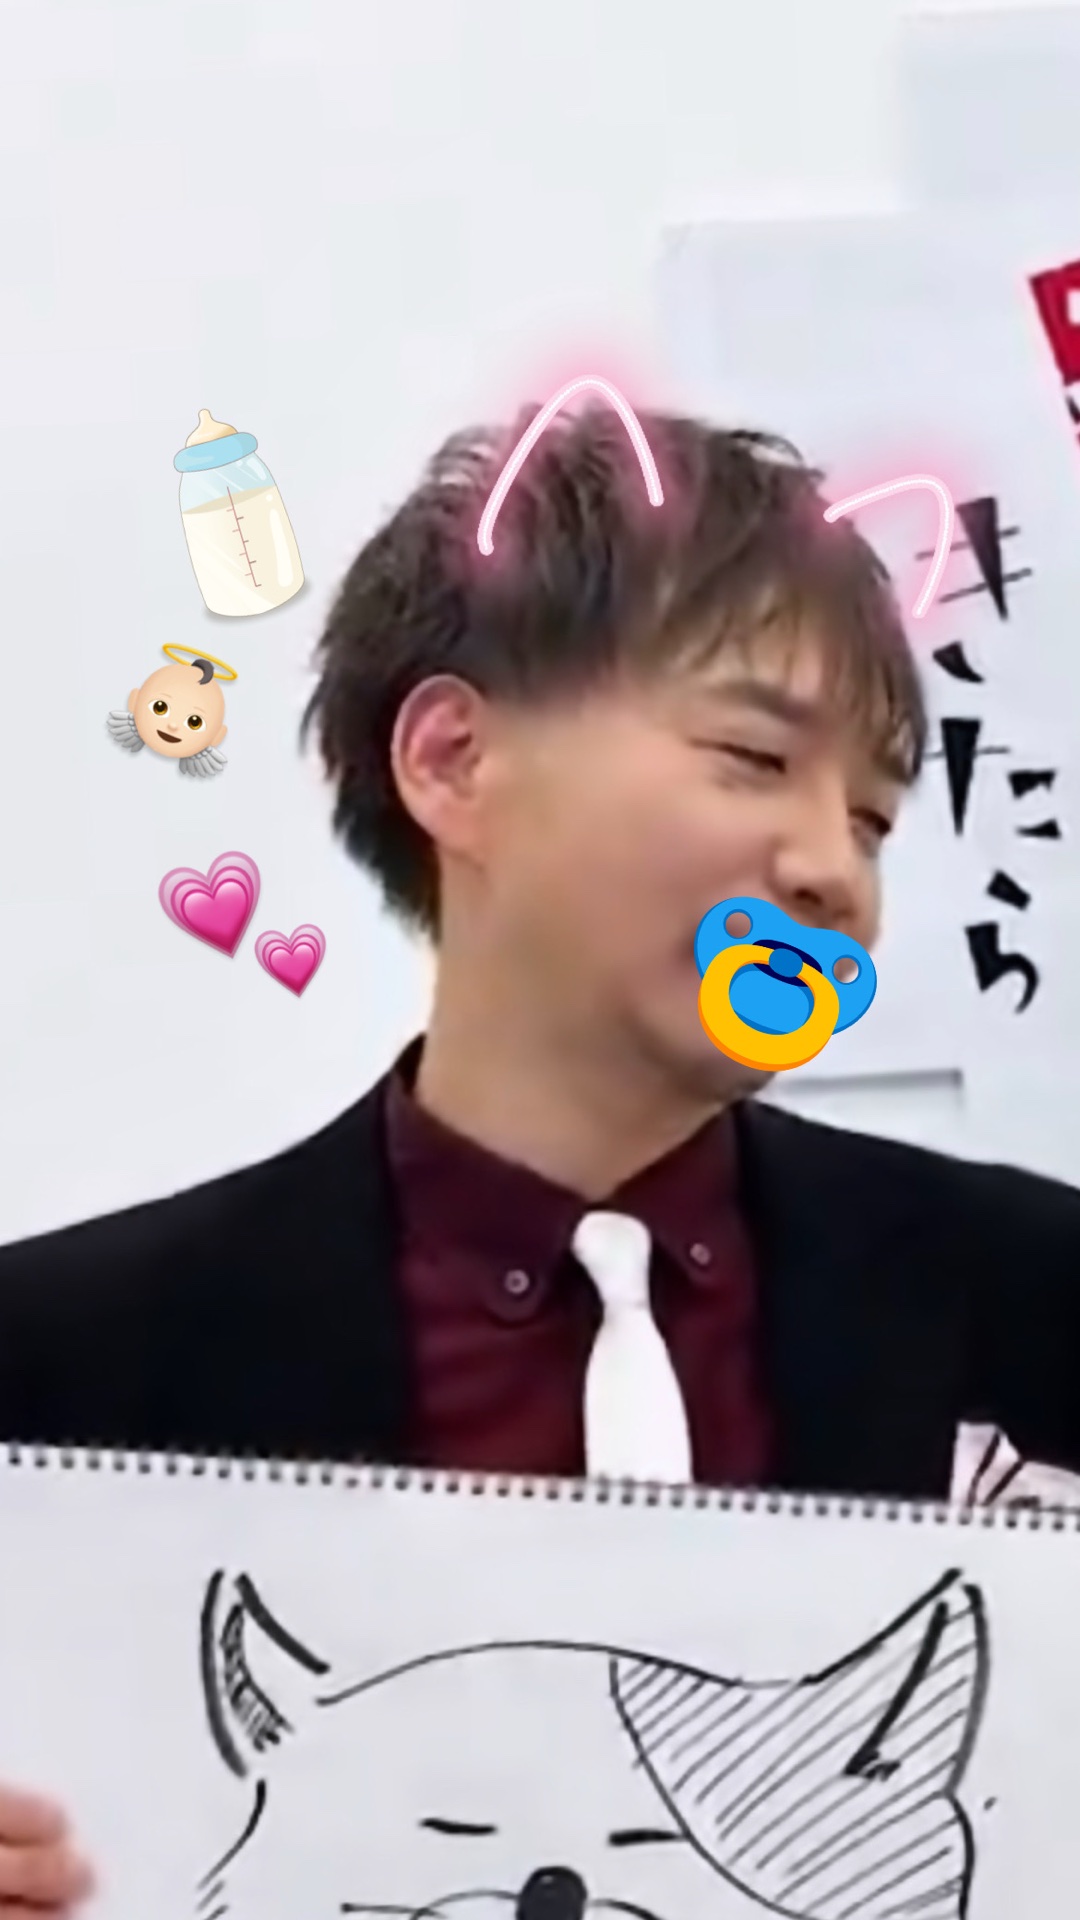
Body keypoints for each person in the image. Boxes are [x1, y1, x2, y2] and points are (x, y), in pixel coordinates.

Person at [3, 406, 1080, 1912]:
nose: (832, 869)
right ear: (453, 760)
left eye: (873, 817)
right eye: (753, 756)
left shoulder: (1041, 1299)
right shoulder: (57, 1372)